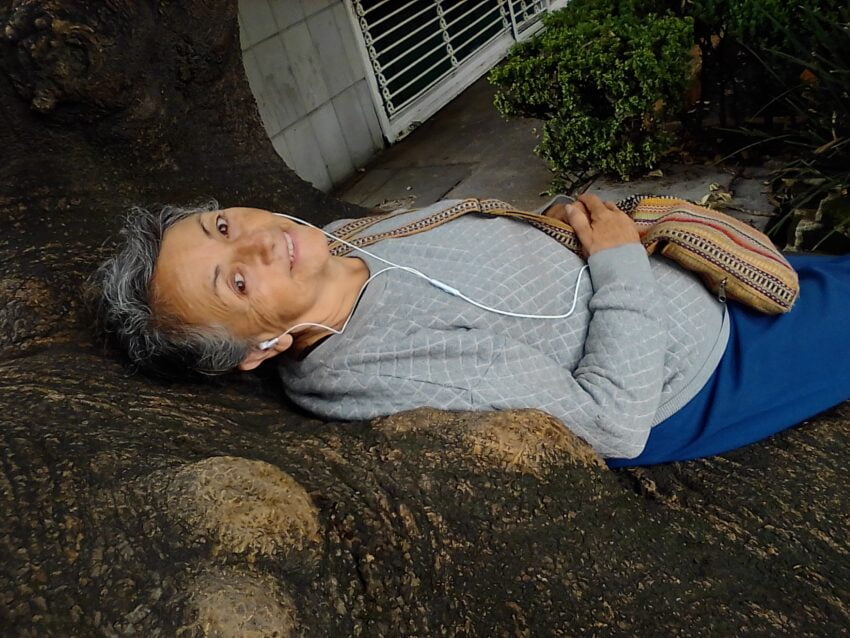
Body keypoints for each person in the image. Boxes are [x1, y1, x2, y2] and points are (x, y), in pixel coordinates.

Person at [91, 194, 850, 467]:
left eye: (222, 226)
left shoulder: (341, 241)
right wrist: (617, 263)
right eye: (236, 282)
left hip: (702, 271)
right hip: (713, 364)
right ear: (259, 349)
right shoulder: (377, 368)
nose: (257, 241)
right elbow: (612, 426)